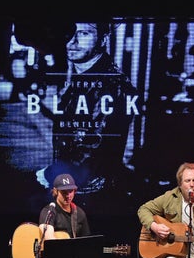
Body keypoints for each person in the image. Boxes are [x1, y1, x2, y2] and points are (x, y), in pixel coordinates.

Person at [37, 22, 141, 195]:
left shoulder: (111, 86)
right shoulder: (84, 79)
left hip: (91, 192)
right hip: (78, 189)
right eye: (69, 33)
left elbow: (93, 150)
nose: (72, 41)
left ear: (103, 39)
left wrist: (51, 174)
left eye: (84, 33)